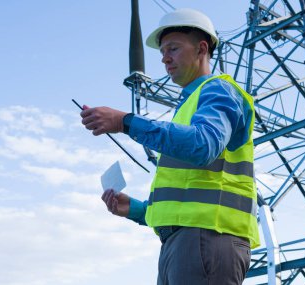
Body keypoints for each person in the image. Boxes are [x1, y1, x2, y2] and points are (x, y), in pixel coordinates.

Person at [80, 8, 260, 285]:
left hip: (206, 237)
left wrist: (125, 122)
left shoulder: (218, 90)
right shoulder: (191, 104)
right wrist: (137, 210)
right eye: (163, 51)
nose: (164, 58)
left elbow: (203, 146)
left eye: (173, 48)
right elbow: (188, 195)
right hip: (187, 241)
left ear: (202, 49)